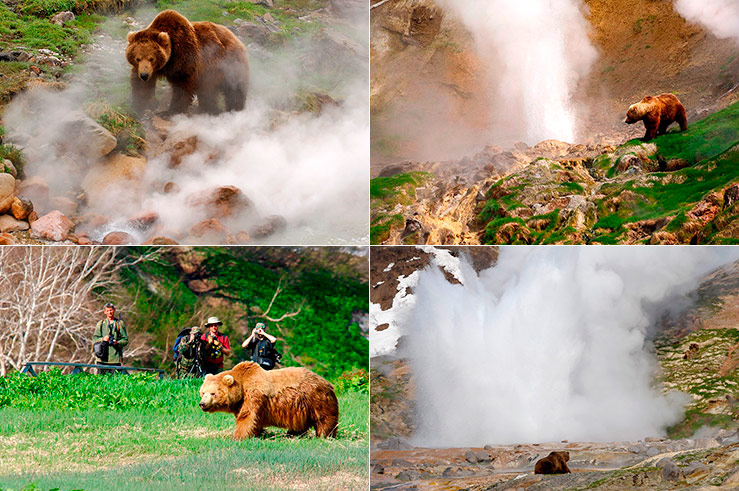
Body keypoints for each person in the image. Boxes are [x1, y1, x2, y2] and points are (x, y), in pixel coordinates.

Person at [92, 302, 128, 374]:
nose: (110, 312)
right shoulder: (101, 324)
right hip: (101, 359)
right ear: (105, 312)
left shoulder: (119, 323)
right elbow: (94, 339)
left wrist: (117, 343)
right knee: (100, 382)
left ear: (114, 310)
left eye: (111, 310)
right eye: (108, 311)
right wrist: (103, 339)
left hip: (115, 360)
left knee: (114, 383)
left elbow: (125, 340)